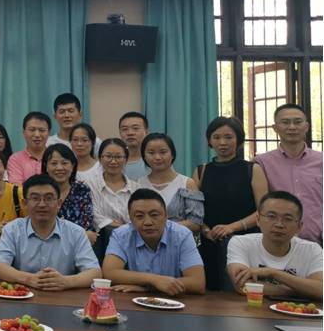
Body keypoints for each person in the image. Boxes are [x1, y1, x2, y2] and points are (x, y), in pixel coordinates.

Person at [192, 117, 269, 290]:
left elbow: (264, 211)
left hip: (245, 241)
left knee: (242, 290)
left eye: (228, 137)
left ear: (239, 140)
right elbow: (193, 211)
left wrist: (231, 227)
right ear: (209, 141)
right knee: (210, 292)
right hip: (210, 242)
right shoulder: (201, 171)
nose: (222, 142)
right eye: (216, 137)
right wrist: (205, 230)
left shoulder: (252, 169)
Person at [0, 175, 101, 290]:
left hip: (62, 296)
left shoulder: (76, 233)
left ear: (59, 203)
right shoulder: (12, 229)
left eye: (48, 198)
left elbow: (94, 272)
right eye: (35, 198)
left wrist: (66, 282)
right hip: (22, 295)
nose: (42, 204)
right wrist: (28, 279)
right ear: (24, 203)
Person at [102, 189, 205, 295]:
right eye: (139, 216)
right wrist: (154, 280)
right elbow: (109, 273)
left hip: (173, 301)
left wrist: (148, 288)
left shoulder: (182, 235)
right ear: (131, 219)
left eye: (154, 215)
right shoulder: (121, 235)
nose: (148, 222)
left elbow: (197, 282)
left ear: (166, 216)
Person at [227, 191, 322, 301]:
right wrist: (302, 291)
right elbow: (242, 285)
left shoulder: (312, 249)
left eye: (288, 219)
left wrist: (272, 273)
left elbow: (321, 290)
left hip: (297, 311)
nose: (279, 224)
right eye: (271, 216)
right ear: (258, 220)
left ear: (299, 226)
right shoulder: (241, 242)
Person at [255, 103, 322, 245]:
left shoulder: (321, 161)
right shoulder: (262, 163)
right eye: (285, 122)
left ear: (306, 126)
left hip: (319, 241)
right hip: (279, 243)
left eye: (297, 122)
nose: (292, 127)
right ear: (275, 128)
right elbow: (260, 205)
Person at [138, 133, 204, 234]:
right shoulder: (138, 184)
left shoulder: (187, 183)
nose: (157, 157)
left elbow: (196, 223)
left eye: (163, 152)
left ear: (172, 154)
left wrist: (162, 227)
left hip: (179, 240)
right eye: (151, 153)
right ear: (144, 156)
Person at [89, 138, 139, 261]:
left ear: (126, 159)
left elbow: (137, 216)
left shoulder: (136, 188)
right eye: (108, 156)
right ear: (100, 158)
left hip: (132, 240)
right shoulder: (89, 185)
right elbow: (94, 215)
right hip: (101, 242)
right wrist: (123, 227)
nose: (113, 161)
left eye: (118, 157)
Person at [43, 144, 96, 242]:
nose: (59, 168)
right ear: (46, 166)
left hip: (77, 247)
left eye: (64, 163)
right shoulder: (40, 191)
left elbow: (87, 226)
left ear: (73, 165)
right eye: (54, 163)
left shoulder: (81, 189)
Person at [6, 111, 50, 184]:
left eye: (42, 130)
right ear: (24, 132)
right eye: (32, 130)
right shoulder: (15, 159)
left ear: (49, 133)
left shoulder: (54, 157)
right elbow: (17, 187)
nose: (37, 135)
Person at [118, 112, 149, 181]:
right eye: (125, 129)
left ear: (146, 132)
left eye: (135, 128)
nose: (130, 133)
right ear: (120, 133)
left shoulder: (155, 160)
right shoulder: (113, 161)